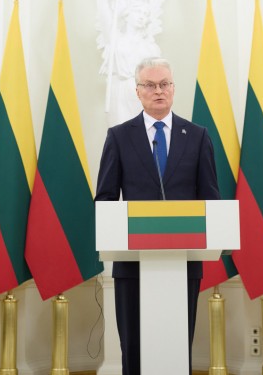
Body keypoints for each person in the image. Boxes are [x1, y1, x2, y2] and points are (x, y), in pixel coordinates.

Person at [94, 57, 219, 375]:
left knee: (176, 345)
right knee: (134, 348)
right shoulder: (119, 137)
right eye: (150, 85)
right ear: (137, 91)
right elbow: (105, 199)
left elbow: (210, 199)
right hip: (132, 264)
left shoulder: (198, 136)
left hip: (183, 261)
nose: (158, 91)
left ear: (174, 88)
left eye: (164, 84)